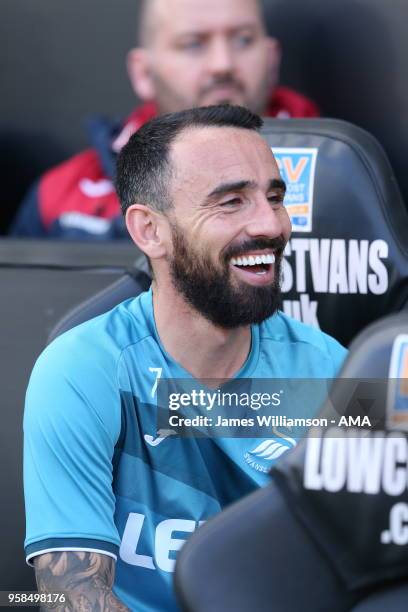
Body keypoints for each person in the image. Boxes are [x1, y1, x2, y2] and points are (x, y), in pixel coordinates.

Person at [24, 105, 346, 611]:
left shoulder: (335, 370)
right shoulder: (81, 370)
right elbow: (70, 594)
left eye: (275, 197)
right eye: (231, 202)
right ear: (150, 231)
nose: (272, 224)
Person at [11, 0, 319, 240]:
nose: (222, 64)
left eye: (242, 40)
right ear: (144, 73)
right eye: (194, 44)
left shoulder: (341, 171)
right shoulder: (60, 195)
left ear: (272, 58)